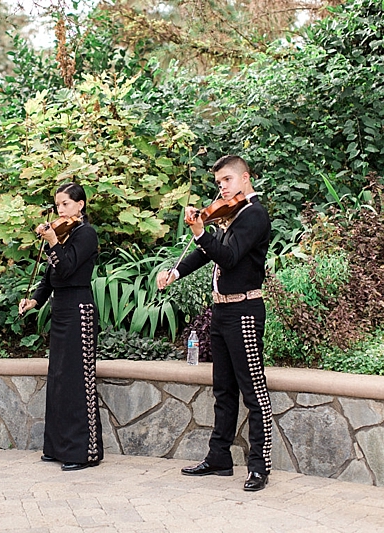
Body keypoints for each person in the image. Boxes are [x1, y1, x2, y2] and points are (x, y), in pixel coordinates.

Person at [157, 155, 272, 491]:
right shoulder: (230, 215)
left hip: (245, 310)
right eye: (219, 182)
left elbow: (229, 257)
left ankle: (259, 466)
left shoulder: (254, 215)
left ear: (245, 178)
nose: (222, 187)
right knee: (223, 389)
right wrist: (176, 272)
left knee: (254, 391)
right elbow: (208, 253)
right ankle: (219, 457)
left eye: (227, 180)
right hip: (221, 312)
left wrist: (199, 232)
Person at [19, 182, 104, 472]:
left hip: (79, 309)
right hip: (61, 309)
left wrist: (53, 241)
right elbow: (50, 276)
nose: (60, 210)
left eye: (65, 204)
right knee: (57, 378)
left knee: (77, 380)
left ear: (80, 204)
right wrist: (35, 300)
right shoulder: (64, 234)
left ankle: (84, 452)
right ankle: (57, 447)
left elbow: (67, 269)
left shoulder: (86, 234)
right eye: (57, 205)